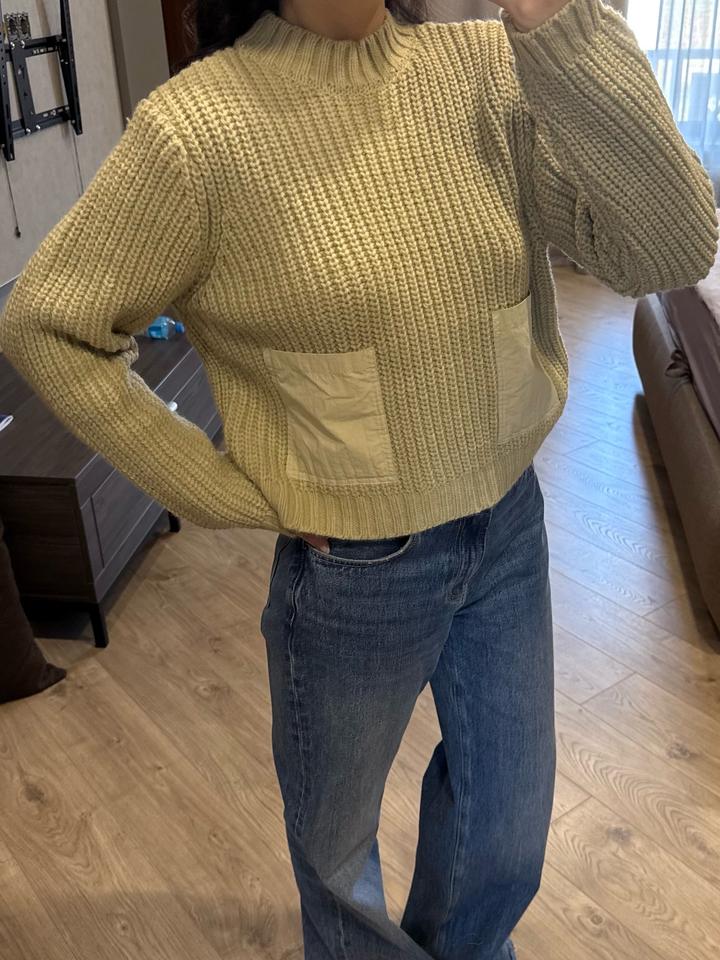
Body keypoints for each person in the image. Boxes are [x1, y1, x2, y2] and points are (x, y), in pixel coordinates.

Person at [0, 1, 716, 956]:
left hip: (509, 527)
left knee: (506, 831)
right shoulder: (196, 130)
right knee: (337, 855)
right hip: (353, 574)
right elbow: (49, 323)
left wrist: (559, 22)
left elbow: (672, 249)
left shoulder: (487, 67)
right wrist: (215, 488)